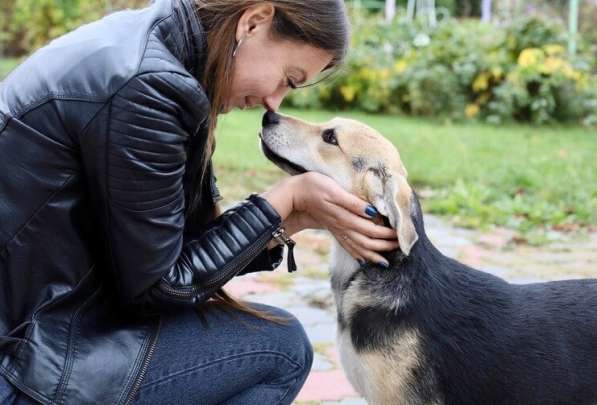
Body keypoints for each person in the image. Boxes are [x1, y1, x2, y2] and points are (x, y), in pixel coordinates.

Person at [0, 0, 399, 403]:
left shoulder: (151, 51)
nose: (274, 102)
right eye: (287, 77)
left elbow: (165, 250)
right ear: (255, 21)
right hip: (22, 355)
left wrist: (288, 221)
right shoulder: (147, 87)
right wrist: (283, 199)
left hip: (39, 324)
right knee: (281, 351)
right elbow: (160, 288)